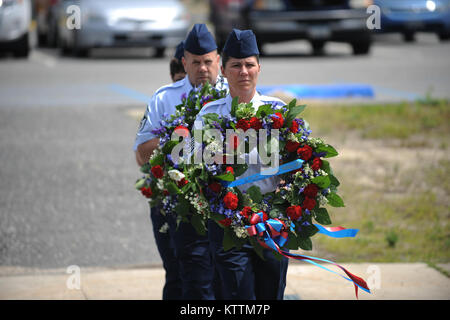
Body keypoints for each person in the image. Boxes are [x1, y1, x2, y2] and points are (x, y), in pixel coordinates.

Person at [195, 28, 289, 300]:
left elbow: (296, 165)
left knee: (271, 292)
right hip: (228, 223)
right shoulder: (209, 115)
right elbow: (201, 169)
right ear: (223, 70)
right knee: (237, 295)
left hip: (271, 222)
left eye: (249, 65)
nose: (243, 72)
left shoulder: (278, 112)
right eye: (236, 65)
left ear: (259, 67)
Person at [134, 23, 225, 300]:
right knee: (186, 281)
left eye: (208, 61)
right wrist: (183, 141)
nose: (202, 68)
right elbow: (142, 154)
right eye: (195, 62)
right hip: (179, 207)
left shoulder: (234, 92)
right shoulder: (165, 98)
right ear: (184, 62)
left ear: (218, 60)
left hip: (226, 206)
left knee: (225, 283)